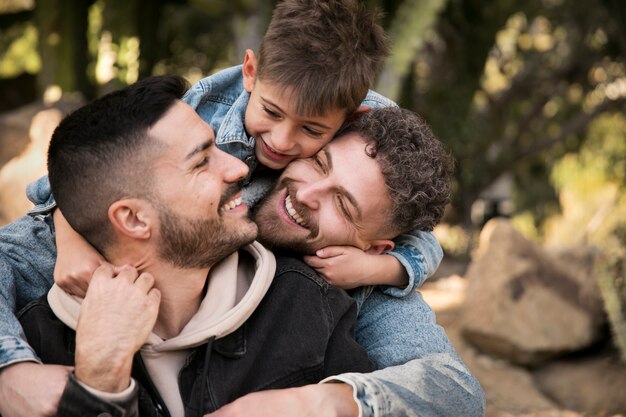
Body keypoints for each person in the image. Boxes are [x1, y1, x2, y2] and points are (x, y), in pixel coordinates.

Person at [16, 75, 374, 416]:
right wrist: (99, 382)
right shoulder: (38, 343)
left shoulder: (309, 303)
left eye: (217, 146)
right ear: (133, 219)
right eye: (202, 161)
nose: (238, 169)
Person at [34, 0, 433, 299]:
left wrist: (380, 268)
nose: (280, 141)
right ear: (250, 72)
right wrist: (70, 243)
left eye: (311, 130)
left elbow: (420, 235)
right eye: (271, 112)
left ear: (351, 118)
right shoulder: (199, 110)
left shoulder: (373, 132)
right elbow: (79, 171)